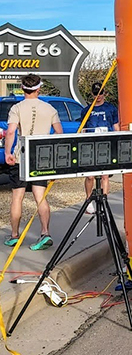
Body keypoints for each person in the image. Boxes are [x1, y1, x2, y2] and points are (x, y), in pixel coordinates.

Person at [4, 74, 62, 250]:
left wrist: (8, 153)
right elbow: (59, 134)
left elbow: (11, 131)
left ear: (22, 89)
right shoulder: (50, 108)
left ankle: (14, 235)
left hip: (21, 156)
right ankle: (45, 232)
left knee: (17, 197)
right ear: (39, 89)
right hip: (41, 157)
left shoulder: (17, 107)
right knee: (40, 196)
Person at [82, 82, 120, 213]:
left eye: (100, 93)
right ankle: (88, 200)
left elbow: (116, 126)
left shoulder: (111, 108)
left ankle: (104, 199)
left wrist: (117, 141)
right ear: (92, 94)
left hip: (106, 144)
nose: (98, 96)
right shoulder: (86, 110)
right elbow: (83, 129)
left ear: (105, 94)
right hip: (91, 145)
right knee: (90, 176)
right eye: (95, 94)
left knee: (105, 175)